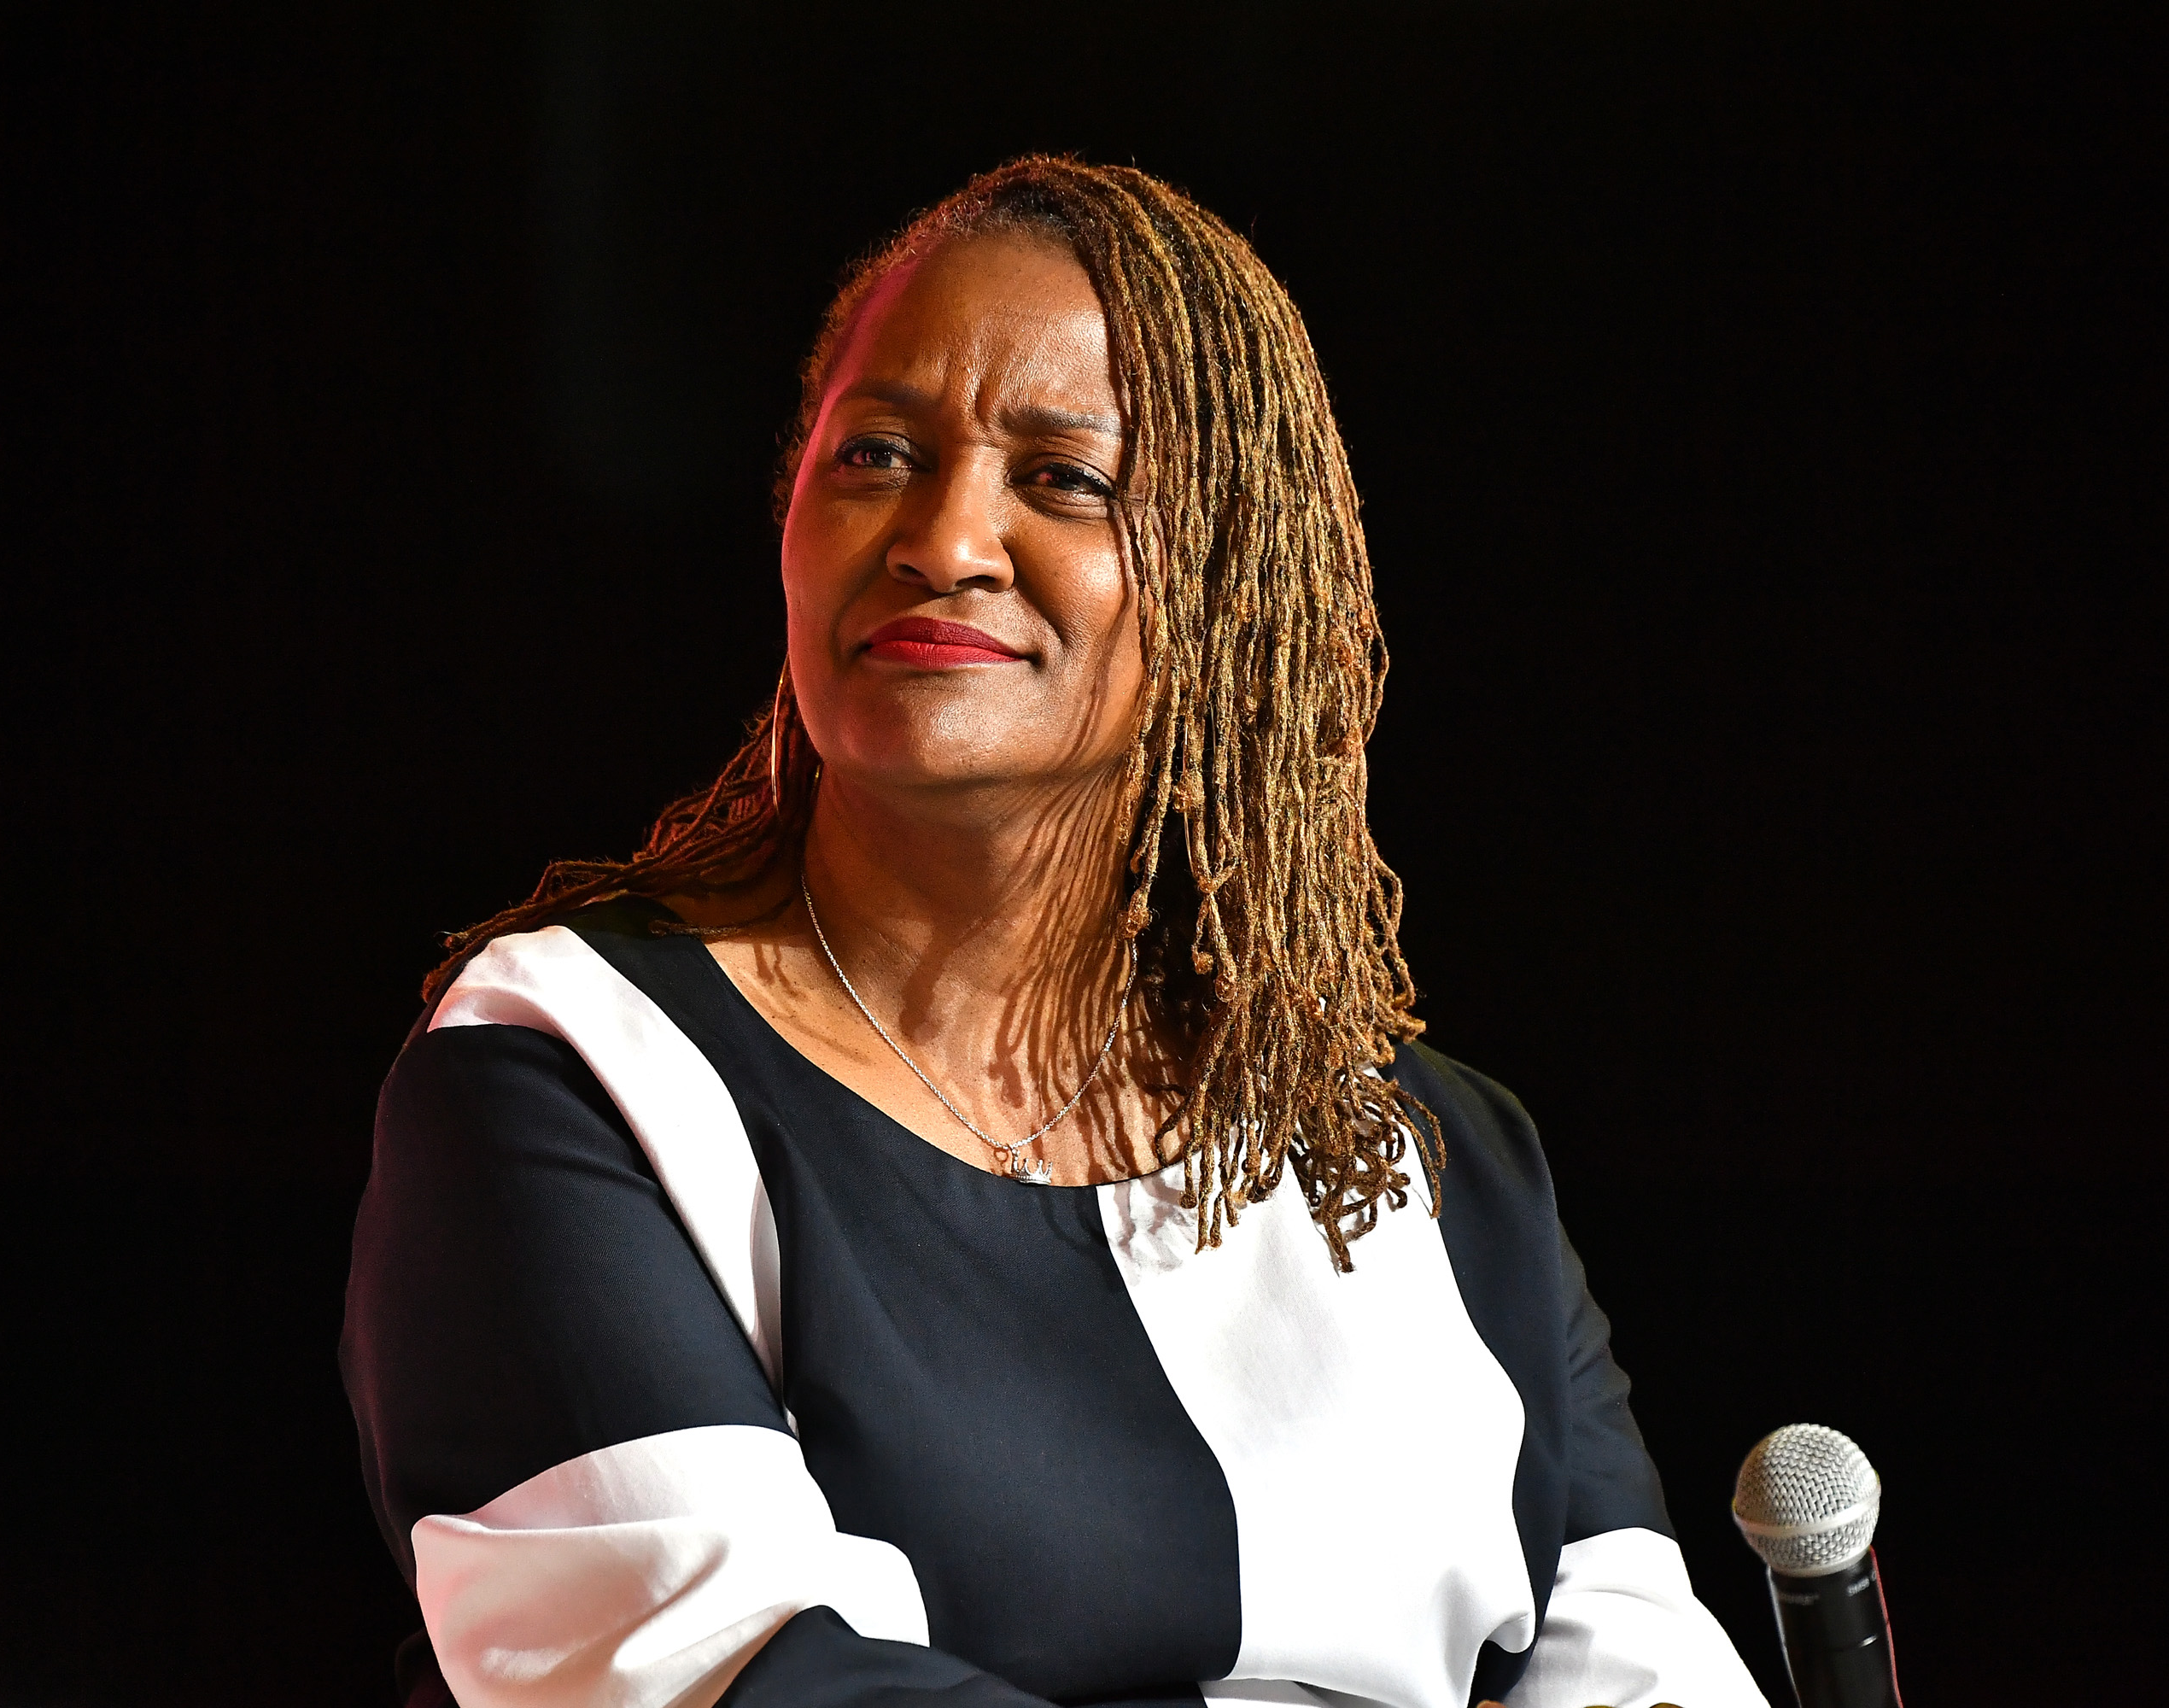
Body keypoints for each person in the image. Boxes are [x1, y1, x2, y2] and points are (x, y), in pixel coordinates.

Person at [341, 155, 1766, 1708]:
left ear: (1232, 582)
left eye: (1064, 479)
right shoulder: (575, 1067)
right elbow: (717, 1678)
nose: (944, 538)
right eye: (876, 454)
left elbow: (1645, 1672)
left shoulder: (1429, 1161)